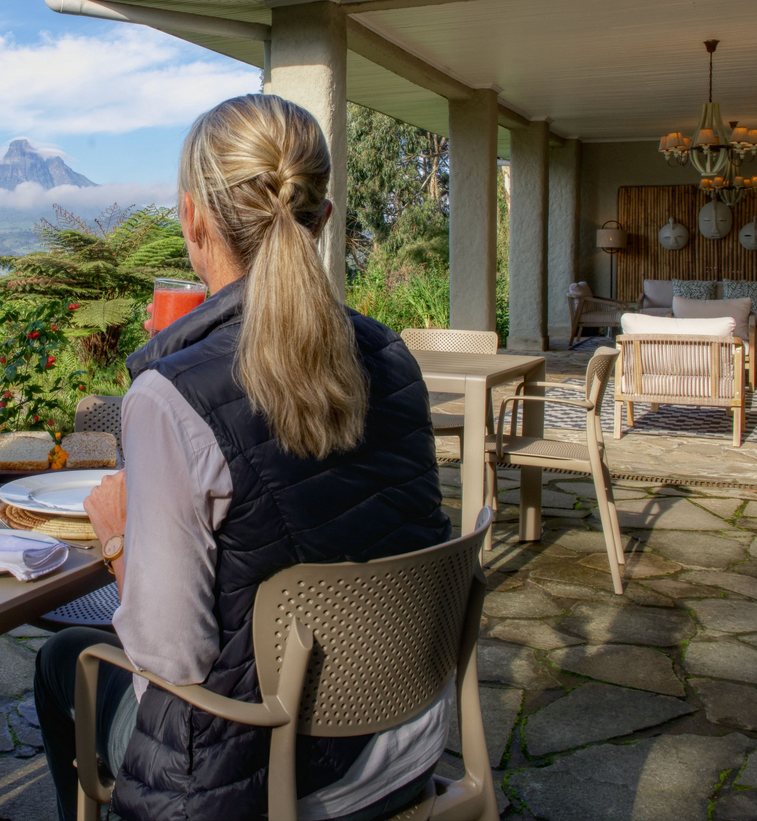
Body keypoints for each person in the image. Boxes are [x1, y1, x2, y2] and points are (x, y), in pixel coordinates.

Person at [35, 94, 455, 821]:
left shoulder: (172, 398)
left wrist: (115, 537)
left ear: (192, 217)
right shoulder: (392, 355)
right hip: (404, 733)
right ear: (322, 220)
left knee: (57, 661)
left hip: (267, 777)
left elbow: (174, 661)